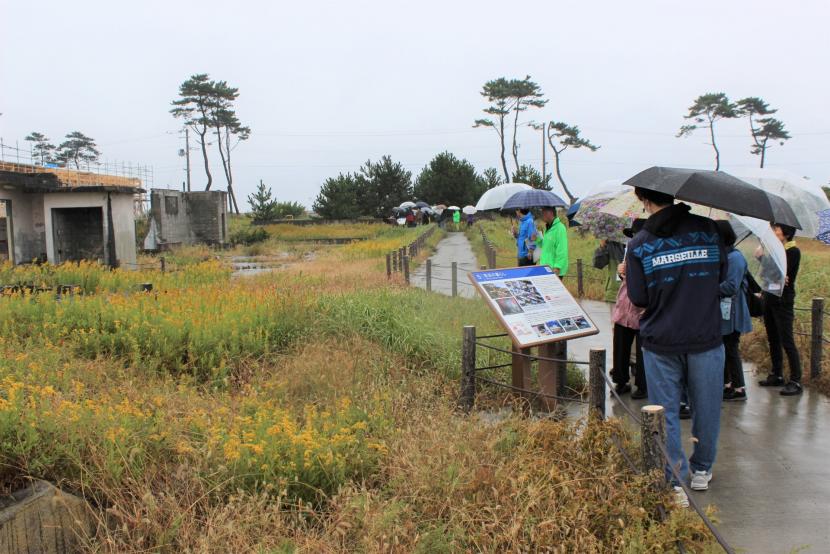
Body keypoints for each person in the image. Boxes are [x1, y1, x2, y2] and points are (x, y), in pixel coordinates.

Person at [626, 187, 727, 502]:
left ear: (644, 200)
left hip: (661, 341)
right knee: (707, 406)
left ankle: (674, 483)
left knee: (665, 411)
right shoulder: (709, 231)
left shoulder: (640, 244)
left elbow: (639, 298)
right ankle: (702, 469)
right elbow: (721, 275)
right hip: (706, 336)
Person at [758, 223, 803, 396]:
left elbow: (780, 275)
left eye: (776, 229)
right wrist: (762, 258)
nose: (774, 232)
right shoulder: (777, 250)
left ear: (786, 233)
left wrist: (769, 267)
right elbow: (766, 274)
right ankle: (777, 374)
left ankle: (796, 380)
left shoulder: (793, 251)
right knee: (773, 338)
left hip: (783, 301)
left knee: (787, 340)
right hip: (770, 296)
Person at [716, 220, 752, 402]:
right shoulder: (724, 255)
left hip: (733, 312)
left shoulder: (735, 258)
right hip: (725, 312)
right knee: (725, 347)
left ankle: (739, 388)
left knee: (731, 348)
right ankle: (728, 384)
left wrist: (708, 286)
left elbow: (731, 286)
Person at [611, 219, 647, 399]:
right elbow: (623, 279)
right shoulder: (628, 251)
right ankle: (621, 381)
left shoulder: (650, 252)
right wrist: (621, 271)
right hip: (624, 307)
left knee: (643, 350)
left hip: (641, 309)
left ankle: (643, 385)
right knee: (620, 347)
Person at [534, 206, 567, 275]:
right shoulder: (548, 227)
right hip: (545, 267)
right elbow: (545, 245)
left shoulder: (560, 228)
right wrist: (537, 239)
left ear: (551, 213)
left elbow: (562, 249)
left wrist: (557, 267)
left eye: (544, 213)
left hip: (554, 269)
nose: (542, 215)